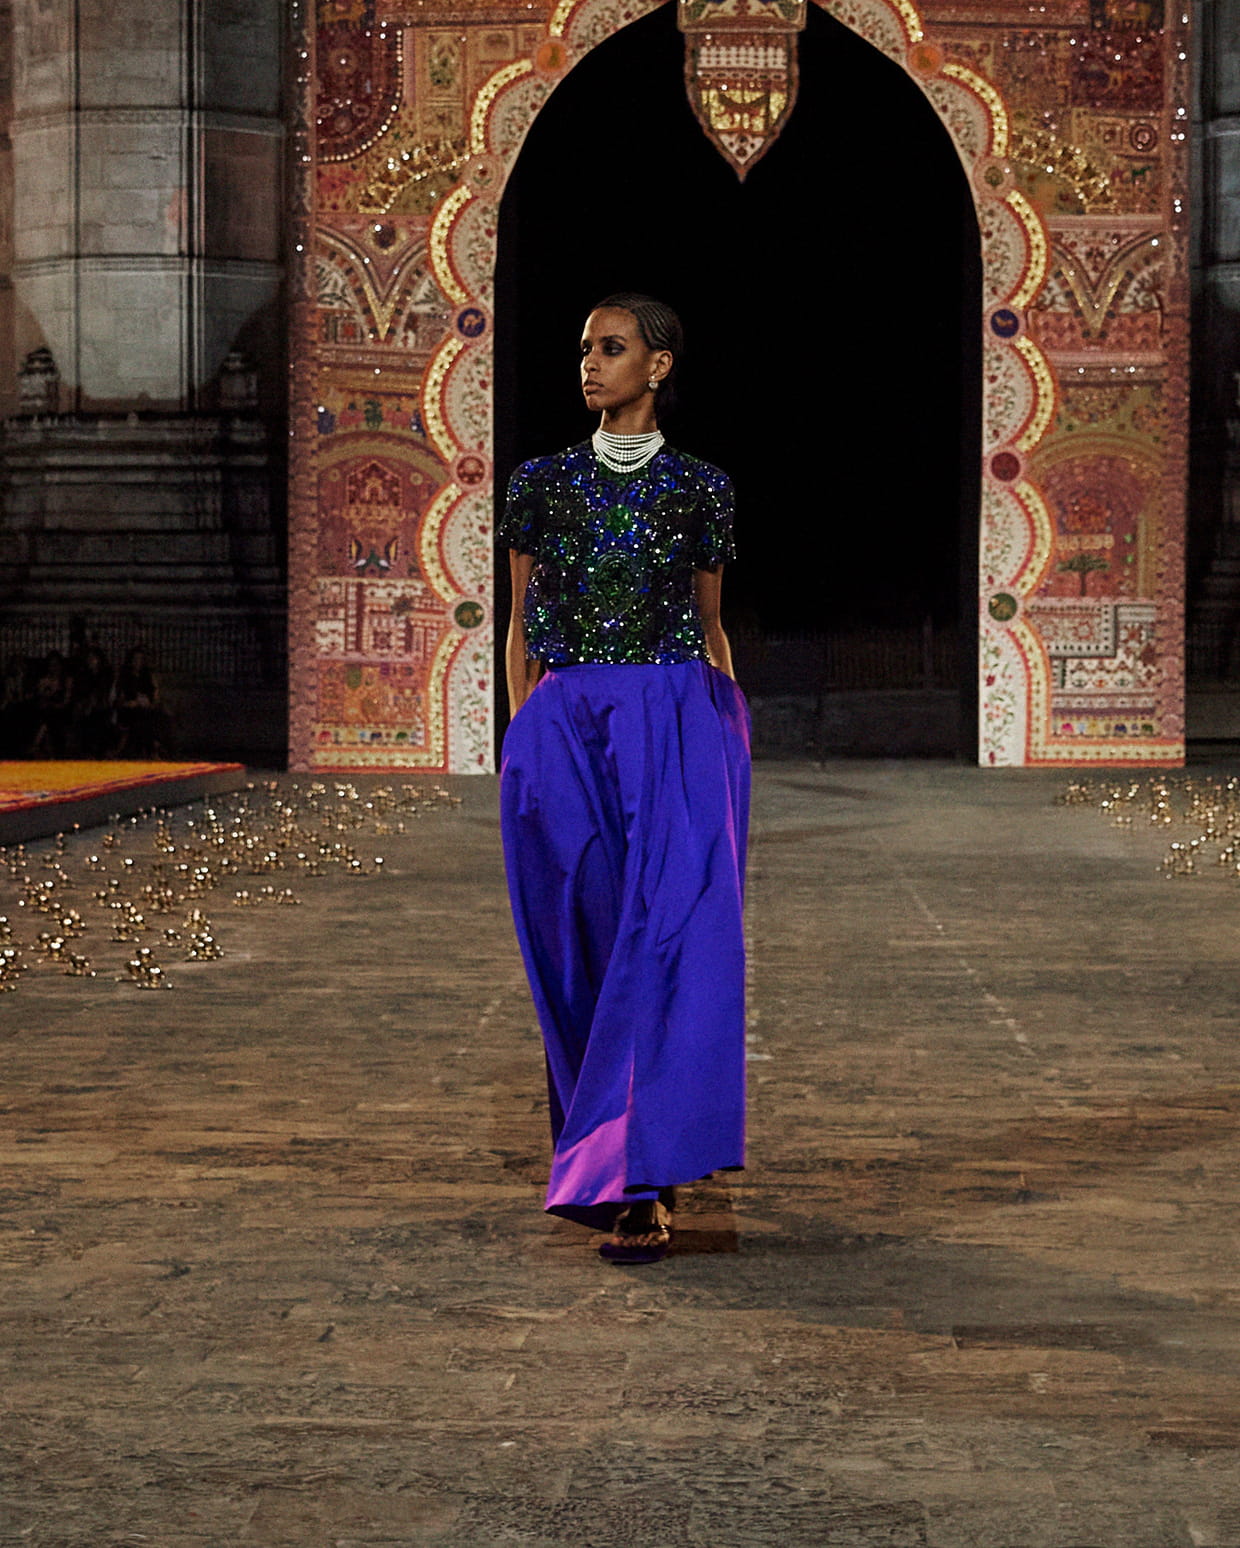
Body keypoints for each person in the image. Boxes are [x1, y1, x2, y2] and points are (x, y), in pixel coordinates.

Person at [498, 292, 750, 1264]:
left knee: (668, 939)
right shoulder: (541, 483)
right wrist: (522, 734)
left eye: (610, 348)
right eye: (583, 350)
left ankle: (649, 1180)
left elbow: (711, 623)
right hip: (564, 725)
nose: (589, 364)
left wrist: (726, 742)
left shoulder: (701, 488)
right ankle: (602, 1153)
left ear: (658, 365)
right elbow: (521, 621)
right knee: (582, 941)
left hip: (675, 719)